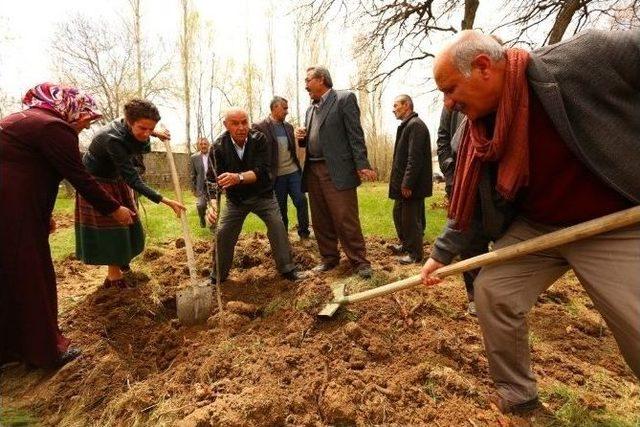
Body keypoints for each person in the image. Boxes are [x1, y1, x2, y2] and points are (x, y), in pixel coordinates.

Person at [421, 30, 640, 414]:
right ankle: (519, 398)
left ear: (484, 67)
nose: (448, 102)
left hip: (611, 221)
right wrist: (442, 253)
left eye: (451, 89)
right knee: (494, 292)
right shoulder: (472, 136)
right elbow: (469, 205)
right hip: (538, 226)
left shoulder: (584, 61)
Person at [0, 83, 135, 368]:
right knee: (33, 277)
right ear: (72, 109)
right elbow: (80, 177)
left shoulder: (20, 120)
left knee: (9, 277)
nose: (86, 127)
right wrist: (113, 209)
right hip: (15, 213)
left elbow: (28, 173)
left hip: (14, 209)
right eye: (87, 119)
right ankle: (46, 352)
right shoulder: (54, 128)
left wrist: (41, 213)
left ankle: (10, 349)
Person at [76, 99, 185, 288]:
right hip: (96, 182)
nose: (146, 134)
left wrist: (154, 132)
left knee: (130, 224)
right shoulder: (113, 139)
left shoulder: (132, 125)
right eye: (142, 128)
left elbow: (140, 135)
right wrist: (166, 201)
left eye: (150, 129)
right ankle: (114, 277)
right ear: (129, 121)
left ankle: (121, 260)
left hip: (115, 178)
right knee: (114, 227)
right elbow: (133, 180)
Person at [206, 107, 308, 282]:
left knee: (277, 226)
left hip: (264, 196)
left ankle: (287, 269)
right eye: (235, 123)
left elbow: (262, 172)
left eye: (244, 122)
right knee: (223, 233)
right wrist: (213, 205)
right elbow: (212, 181)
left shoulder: (259, 139)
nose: (241, 127)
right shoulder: (217, 147)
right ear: (226, 125)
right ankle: (217, 276)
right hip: (236, 201)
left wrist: (238, 177)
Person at [295, 66, 376, 279]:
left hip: (337, 170)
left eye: (308, 80)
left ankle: (360, 262)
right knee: (320, 219)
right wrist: (302, 137)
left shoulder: (344, 99)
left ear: (321, 79)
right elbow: (313, 139)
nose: (305, 85)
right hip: (313, 170)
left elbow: (355, 133)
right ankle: (329, 259)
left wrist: (362, 163)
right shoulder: (310, 109)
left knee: (344, 218)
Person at [435, 107, 490, 315]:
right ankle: (475, 294)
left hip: (494, 181)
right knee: (468, 237)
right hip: (460, 179)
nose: (447, 99)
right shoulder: (452, 103)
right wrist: (450, 168)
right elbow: (442, 138)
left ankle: (503, 290)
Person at [253, 96, 310, 240]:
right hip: (276, 177)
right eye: (284, 108)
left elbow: (298, 147)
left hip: (293, 172)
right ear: (274, 108)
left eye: (287, 108)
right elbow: (255, 152)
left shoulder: (289, 127)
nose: (287, 111)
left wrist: (302, 137)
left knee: (301, 201)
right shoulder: (260, 127)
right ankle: (282, 237)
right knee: (281, 208)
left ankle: (304, 233)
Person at [388, 94, 432, 265]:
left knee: (411, 219)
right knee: (399, 214)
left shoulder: (416, 126)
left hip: (412, 185)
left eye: (396, 105)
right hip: (403, 184)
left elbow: (415, 158)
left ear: (407, 105)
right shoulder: (408, 125)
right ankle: (406, 245)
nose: (393, 109)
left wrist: (408, 183)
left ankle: (415, 254)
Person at [190, 137, 211, 228]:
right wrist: (193, 188)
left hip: (212, 185)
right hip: (201, 186)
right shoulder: (194, 157)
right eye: (201, 144)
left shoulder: (213, 155)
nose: (203, 146)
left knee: (214, 206)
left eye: (205, 144)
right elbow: (192, 174)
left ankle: (213, 227)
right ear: (198, 146)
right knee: (201, 205)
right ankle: (202, 218)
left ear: (208, 145)